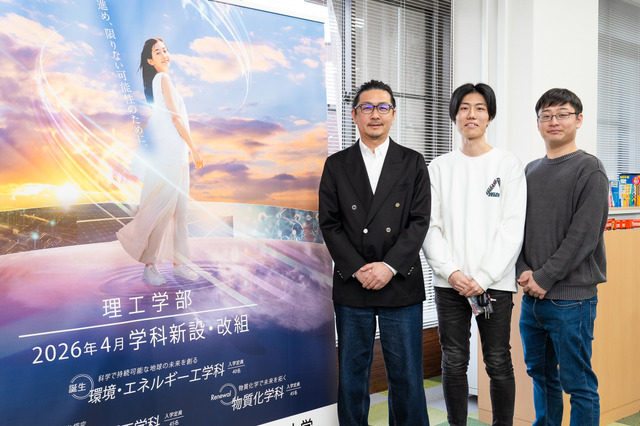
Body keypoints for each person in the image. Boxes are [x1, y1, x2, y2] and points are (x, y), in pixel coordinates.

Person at [319, 80, 431, 425]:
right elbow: (329, 223)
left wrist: (389, 267)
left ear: (393, 114)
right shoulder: (337, 164)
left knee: (407, 375)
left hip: (400, 280)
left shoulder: (412, 162)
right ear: (354, 115)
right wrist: (358, 268)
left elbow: (419, 220)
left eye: (383, 107)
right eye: (366, 107)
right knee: (352, 376)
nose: (375, 115)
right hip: (353, 282)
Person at [422, 83, 526, 426]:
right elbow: (430, 227)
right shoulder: (439, 167)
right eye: (464, 108)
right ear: (454, 116)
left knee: (497, 361)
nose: (471, 114)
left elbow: (512, 228)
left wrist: (481, 278)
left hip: (494, 284)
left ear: (489, 116)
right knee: (453, 361)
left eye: (479, 108)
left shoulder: (507, 164)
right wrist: (452, 273)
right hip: (449, 284)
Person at [517, 88, 608, 426]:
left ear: (578, 120)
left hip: (571, 301)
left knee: (578, 384)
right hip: (532, 300)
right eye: (546, 116)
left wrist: (543, 277)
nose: (554, 121)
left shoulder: (590, 169)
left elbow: (582, 236)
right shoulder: (530, 170)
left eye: (563, 114)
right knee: (541, 377)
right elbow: (517, 228)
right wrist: (523, 269)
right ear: (538, 123)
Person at [117, 38, 204, 286]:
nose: (165, 55)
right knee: (163, 212)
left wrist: (187, 151)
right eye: (158, 52)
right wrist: (194, 149)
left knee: (180, 213)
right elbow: (176, 118)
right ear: (150, 60)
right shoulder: (163, 79)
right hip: (170, 157)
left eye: (165, 50)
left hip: (177, 156)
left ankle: (179, 264)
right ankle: (150, 265)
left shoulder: (164, 81)